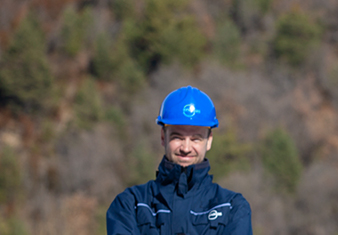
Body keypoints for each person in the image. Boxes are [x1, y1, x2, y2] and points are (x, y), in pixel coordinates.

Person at [106, 86, 252, 235]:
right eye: (178, 137)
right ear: (163, 137)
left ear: (209, 141)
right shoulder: (131, 204)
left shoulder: (232, 207)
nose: (186, 148)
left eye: (196, 139)